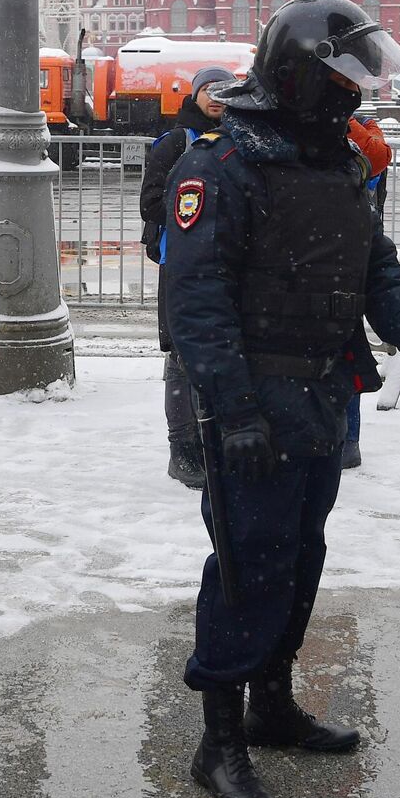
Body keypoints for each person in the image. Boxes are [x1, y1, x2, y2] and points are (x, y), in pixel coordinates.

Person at [164, 0, 400, 798]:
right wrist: (236, 409)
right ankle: (218, 741)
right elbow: (199, 301)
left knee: (300, 554)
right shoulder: (222, 165)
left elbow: (377, 266)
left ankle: (274, 702)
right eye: (345, 75)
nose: (356, 91)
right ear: (302, 76)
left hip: (321, 392)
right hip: (253, 398)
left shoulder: (340, 161)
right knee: (248, 563)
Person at [140, 65, 235, 489]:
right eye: (208, 90)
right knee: (180, 356)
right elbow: (152, 203)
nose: (216, 97)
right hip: (179, 264)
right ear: (194, 95)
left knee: (220, 349)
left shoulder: (238, 140)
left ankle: (213, 441)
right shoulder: (176, 142)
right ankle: (183, 449)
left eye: (225, 90)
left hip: (226, 265)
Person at [340, 112, 393, 470]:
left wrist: (345, 120)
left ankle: (349, 441)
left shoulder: (363, 126)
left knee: (346, 349)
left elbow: (378, 156)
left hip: (353, 251)